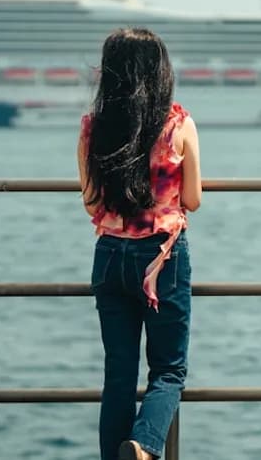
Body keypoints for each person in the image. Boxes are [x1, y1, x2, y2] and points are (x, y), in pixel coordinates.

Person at [77, 27, 202, 460]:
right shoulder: (178, 124)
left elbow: (91, 200)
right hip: (162, 257)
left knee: (118, 374)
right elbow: (193, 199)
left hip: (110, 255)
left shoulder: (94, 127)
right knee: (168, 371)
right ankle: (145, 445)